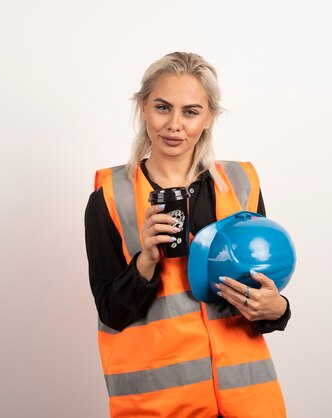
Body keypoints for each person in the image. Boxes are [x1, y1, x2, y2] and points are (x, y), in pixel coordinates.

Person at [84, 52, 291, 418]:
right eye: (162, 107)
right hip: (159, 405)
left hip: (248, 401)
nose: (174, 125)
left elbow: (259, 294)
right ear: (143, 108)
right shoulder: (110, 197)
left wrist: (278, 310)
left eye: (191, 111)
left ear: (209, 116)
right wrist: (145, 261)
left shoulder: (241, 185)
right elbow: (111, 313)